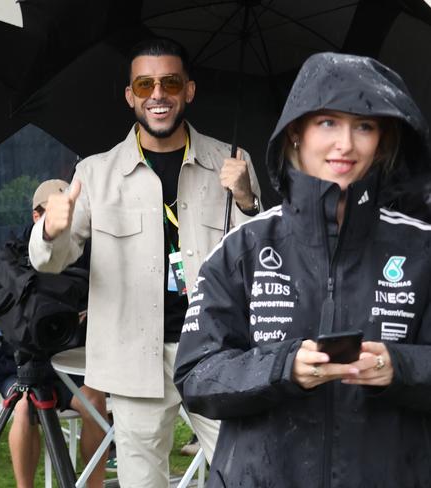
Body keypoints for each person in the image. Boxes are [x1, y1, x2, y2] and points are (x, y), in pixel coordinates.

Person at [174, 52, 431, 487]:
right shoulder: (243, 248)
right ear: (295, 132)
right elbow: (196, 375)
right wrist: (282, 368)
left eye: (364, 126)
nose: (345, 144)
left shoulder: (421, 248)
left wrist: (400, 367)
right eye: (328, 122)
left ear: (383, 140)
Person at [29, 38, 262, 486]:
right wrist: (51, 230)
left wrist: (248, 201)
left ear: (188, 91)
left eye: (170, 82)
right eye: (145, 83)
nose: (158, 93)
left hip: (216, 349)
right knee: (142, 481)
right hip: (134, 354)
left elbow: (260, 260)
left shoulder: (231, 162)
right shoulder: (95, 173)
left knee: (247, 470)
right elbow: (53, 261)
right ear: (131, 95)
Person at [0, 179, 107, 488]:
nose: (64, 219)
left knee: (94, 402)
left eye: (71, 211)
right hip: (22, 360)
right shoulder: (11, 257)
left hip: (70, 360)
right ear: (36, 216)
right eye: (54, 211)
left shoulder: (86, 252)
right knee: (23, 406)